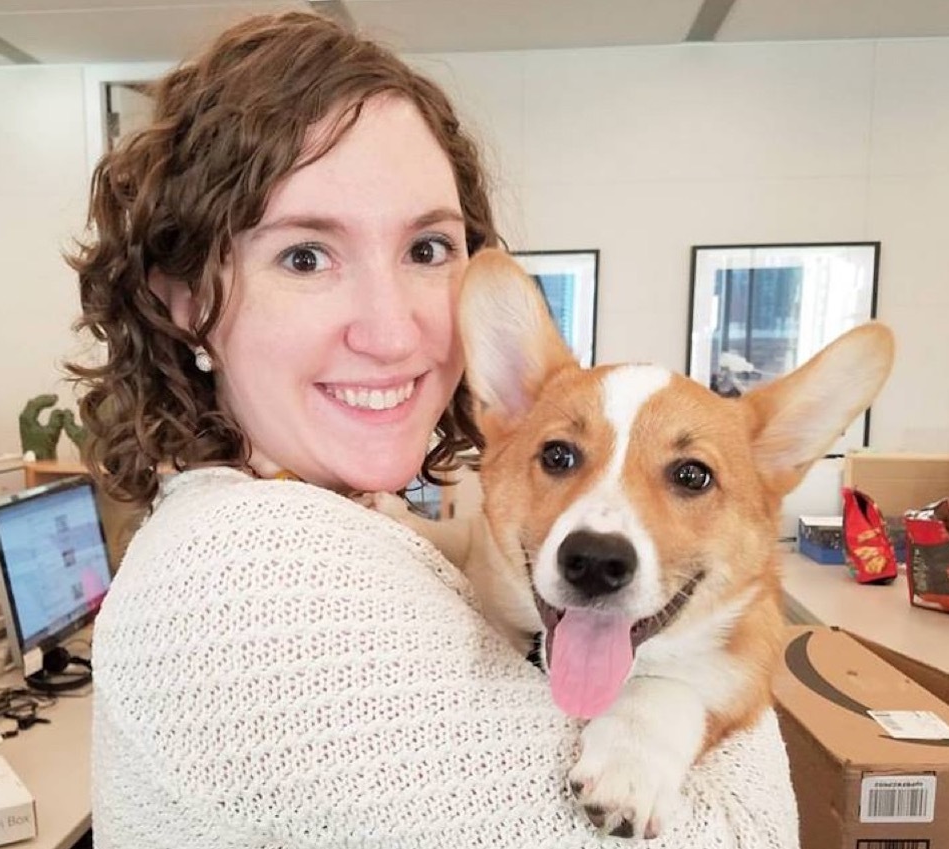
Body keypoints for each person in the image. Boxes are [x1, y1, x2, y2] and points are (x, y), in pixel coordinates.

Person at [68, 11, 799, 848]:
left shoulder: (338, 525)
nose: (393, 331)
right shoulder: (245, 577)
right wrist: (734, 631)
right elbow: (743, 837)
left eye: (426, 248)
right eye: (305, 255)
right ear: (189, 299)